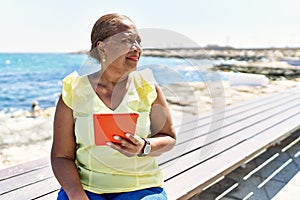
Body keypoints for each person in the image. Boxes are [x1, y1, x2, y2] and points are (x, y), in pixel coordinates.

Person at [51, 13, 176, 200]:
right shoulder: (74, 89)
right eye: (127, 41)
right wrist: (76, 193)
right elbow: (61, 156)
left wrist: (144, 146)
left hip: (141, 188)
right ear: (102, 47)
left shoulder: (148, 86)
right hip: (86, 189)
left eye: (139, 42)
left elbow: (169, 137)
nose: (137, 49)